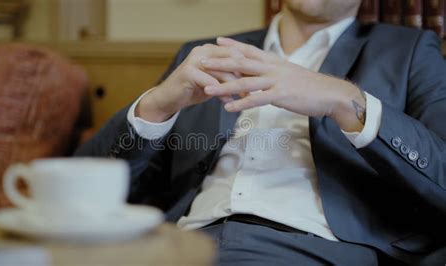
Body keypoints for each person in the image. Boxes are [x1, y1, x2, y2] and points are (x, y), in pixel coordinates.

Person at [75, 0, 446, 265]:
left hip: (316, 249)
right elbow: (82, 187)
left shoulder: (408, 50)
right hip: (182, 244)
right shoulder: (205, 55)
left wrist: (345, 100)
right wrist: (155, 107)